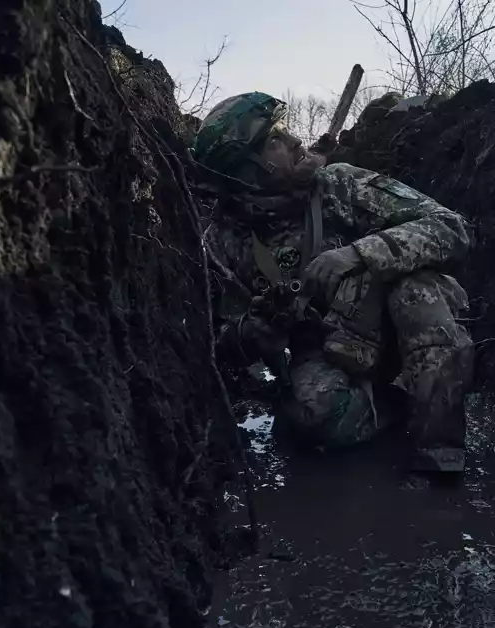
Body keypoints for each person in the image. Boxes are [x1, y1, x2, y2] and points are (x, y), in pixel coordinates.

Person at [193, 92, 474, 473]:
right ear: (245, 170)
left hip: (396, 327)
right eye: (274, 139)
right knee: (309, 420)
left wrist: (360, 254)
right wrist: (252, 333)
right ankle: (397, 402)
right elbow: (212, 345)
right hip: (328, 352)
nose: (294, 140)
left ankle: (439, 450)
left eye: (284, 129)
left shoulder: (339, 186)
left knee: (416, 293)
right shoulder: (222, 241)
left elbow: (451, 227)